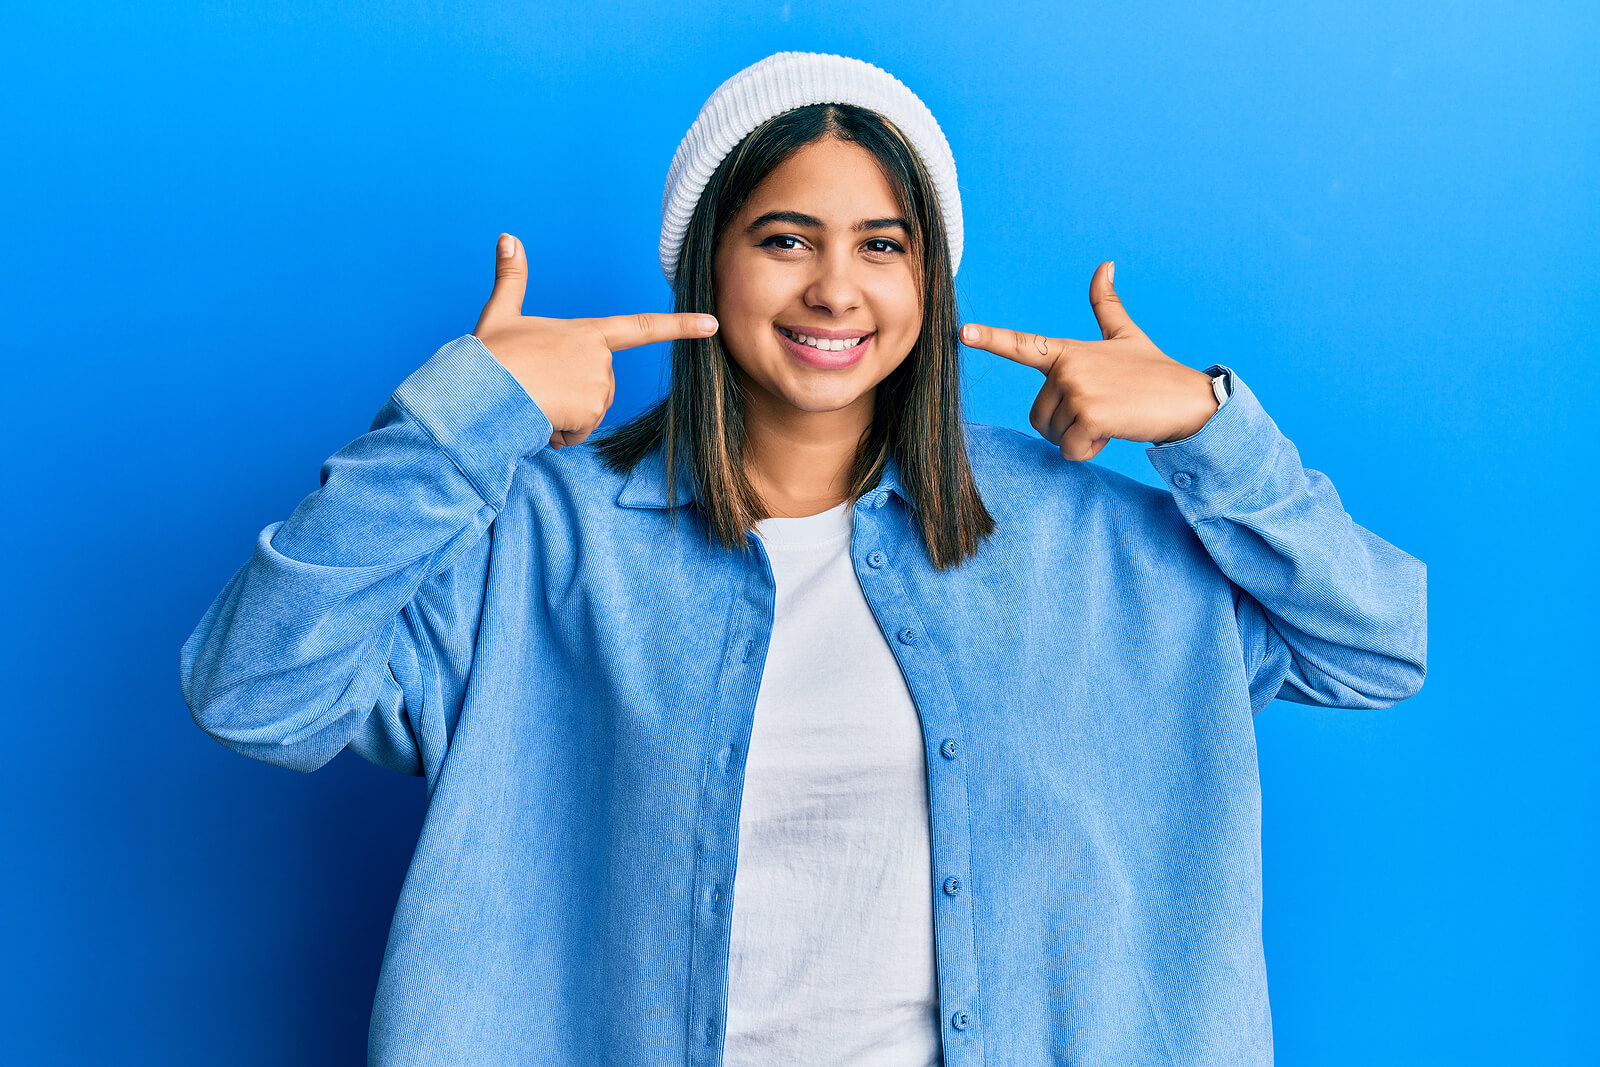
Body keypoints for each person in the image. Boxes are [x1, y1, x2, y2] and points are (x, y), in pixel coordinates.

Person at [179, 51, 1427, 1067]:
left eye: (883, 244)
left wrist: (1214, 423)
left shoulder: (1088, 538)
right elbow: (255, 693)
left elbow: (1374, 643)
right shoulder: (541, 540)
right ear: (707, 258)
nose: (837, 288)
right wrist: (463, 417)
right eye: (786, 238)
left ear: (929, 280)